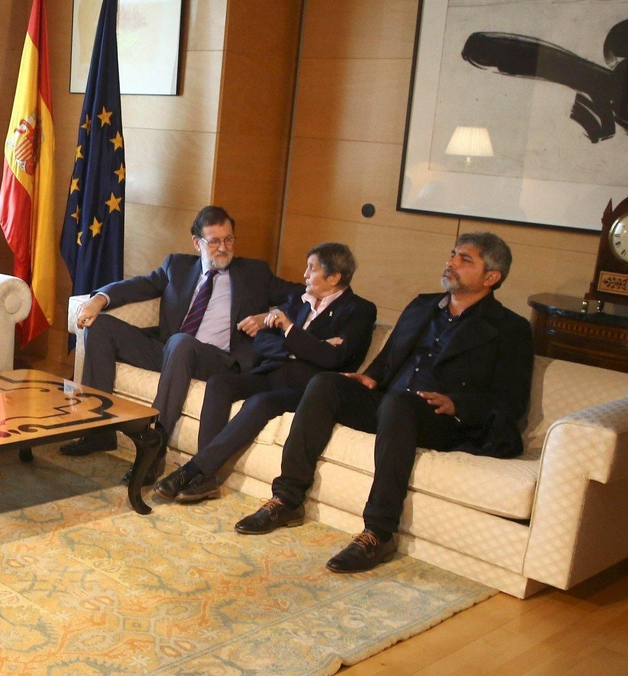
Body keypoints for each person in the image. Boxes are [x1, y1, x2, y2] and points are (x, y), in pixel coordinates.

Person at [239, 232, 534, 575]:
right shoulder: (424, 304)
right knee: (325, 385)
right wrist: (371, 377)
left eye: (465, 259)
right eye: (453, 254)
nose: (451, 262)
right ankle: (287, 499)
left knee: (399, 404)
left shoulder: (510, 328)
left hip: (441, 419)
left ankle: (378, 532)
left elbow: (511, 400)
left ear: (491, 277)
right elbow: (390, 355)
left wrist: (457, 404)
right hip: (390, 403)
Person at [59, 205, 293, 482]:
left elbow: (302, 295)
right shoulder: (177, 266)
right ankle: (98, 431)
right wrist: (98, 299)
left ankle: (155, 444)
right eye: (214, 241)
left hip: (216, 361)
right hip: (171, 352)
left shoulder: (254, 273)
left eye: (229, 239)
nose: (223, 247)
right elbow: (138, 285)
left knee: (181, 342)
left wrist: (271, 315)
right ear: (197, 242)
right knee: (101, 327)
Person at [155, 242, 376, 504]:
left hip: (305, 388)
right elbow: (262, 341)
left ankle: (194, 470)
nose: (305, 275)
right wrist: (303, 348)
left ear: (334, 277)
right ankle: (207, 478)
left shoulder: (360, 310)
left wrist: (291, 330)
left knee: (260, 403)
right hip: (271, 371)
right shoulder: (299, 299)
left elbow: (332, 358)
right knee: (219, 383)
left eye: (312, 269)